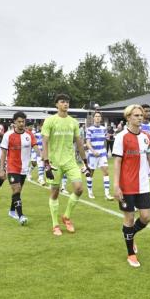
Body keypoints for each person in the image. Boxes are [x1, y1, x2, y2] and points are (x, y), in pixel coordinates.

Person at [113, 104, 150, 267]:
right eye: (136, 115)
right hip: (126, 185)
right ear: (128, 117)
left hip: (143, 185)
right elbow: (117, 162)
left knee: (146, 217)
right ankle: (131, 254)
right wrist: (116, 185)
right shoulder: (121, 137)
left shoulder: (146, 137)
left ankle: (130, 234)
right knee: (129, 218)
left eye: (141, 115)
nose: (140, 118)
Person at [41, 94, 91, 236]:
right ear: (56, 104)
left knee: (79, 188)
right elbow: (44, 141)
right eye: (62, 102)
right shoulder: (50, 120)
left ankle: (67, 217)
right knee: (55, 192)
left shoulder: (73, 122)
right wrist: (46, 163)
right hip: (54, 162)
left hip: (70, 161)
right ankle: (55, 225)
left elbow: (79, 142)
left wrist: (85, 161)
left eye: (67, 102)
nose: (66, 104)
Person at [0, 111, 40, 226]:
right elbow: (3, 153)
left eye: (23, 121)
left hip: (24, 168)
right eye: (19, 122)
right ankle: (21, 216)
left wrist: (42, 156)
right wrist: (2, 169)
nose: (21, 123)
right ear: (14, 123)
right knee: (16, 189)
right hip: (12, 167)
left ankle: (12, 211)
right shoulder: (7, 135)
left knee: (18, 191)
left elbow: (36, 147)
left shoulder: (29, 135)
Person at [85, 111, 113, 200]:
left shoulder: (103, 128)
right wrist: (93, 151)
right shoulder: (89, 129)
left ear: (101, 118)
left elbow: (106, 138)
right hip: (93, 155)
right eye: (96, 116)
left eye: (99, 116)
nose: (97, 118)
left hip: (102, 154)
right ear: (93, 118)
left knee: (106, 172)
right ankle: (90, 191)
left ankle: (107, 194)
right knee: (91, 173)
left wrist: (109, 136)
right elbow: (88, 143)